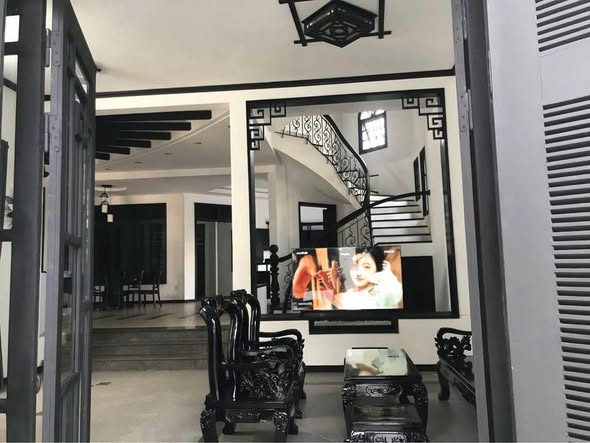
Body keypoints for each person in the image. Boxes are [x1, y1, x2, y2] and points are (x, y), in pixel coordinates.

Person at [317, 247, 403, 310]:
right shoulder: (351, 293)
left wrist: (332, 293)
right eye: (354, 264)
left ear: (378, 269)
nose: (358, 272)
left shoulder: (379, 296)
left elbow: (342, 302)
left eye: (366, 267)